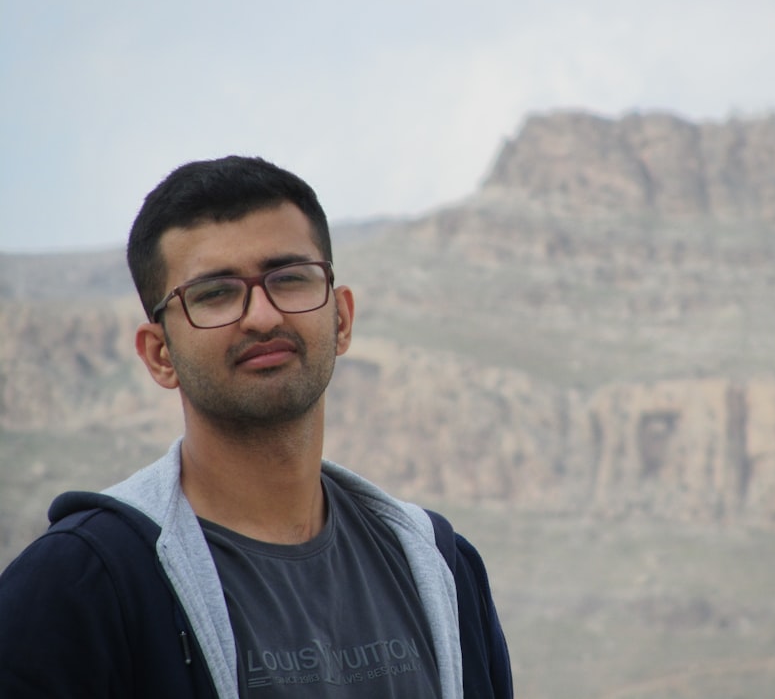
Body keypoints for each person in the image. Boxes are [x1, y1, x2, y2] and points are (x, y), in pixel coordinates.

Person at [0, 156, 513, 699]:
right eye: (215, 293)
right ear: (159, 354)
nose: (262, 316)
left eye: (289, 279)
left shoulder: (438, 566)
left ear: (341, 319)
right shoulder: (78, 586)